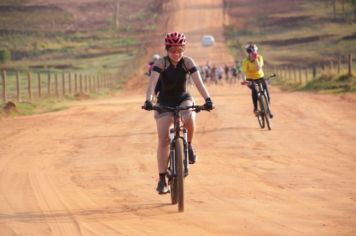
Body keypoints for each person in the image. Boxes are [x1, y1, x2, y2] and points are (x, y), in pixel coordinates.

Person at [142, 32, 214, 194]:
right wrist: (148, 100)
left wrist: (208, 99)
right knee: (163, 139)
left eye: (180, 50)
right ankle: (162, 179)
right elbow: (152, 83)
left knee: (189, 114)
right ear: (167, 50)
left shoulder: (187, 62)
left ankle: (188, 145)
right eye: (173, 50)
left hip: (183, 98)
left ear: (184, 49)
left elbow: (198, 83)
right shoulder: (161, 62)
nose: (176, 54)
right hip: (164, 102)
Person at [241, 43, 272, 118]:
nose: (254, 53)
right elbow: (243, 73)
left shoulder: (259, 57)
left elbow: (259, 68)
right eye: (252, 52)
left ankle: (268, 109)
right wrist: (244, 80)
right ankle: (255, 109)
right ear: (249, 53)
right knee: (254, 91)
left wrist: (255, 60)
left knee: (267, 95)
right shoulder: (245, 61)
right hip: (250, 79)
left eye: (255, 52)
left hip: (260, 77)